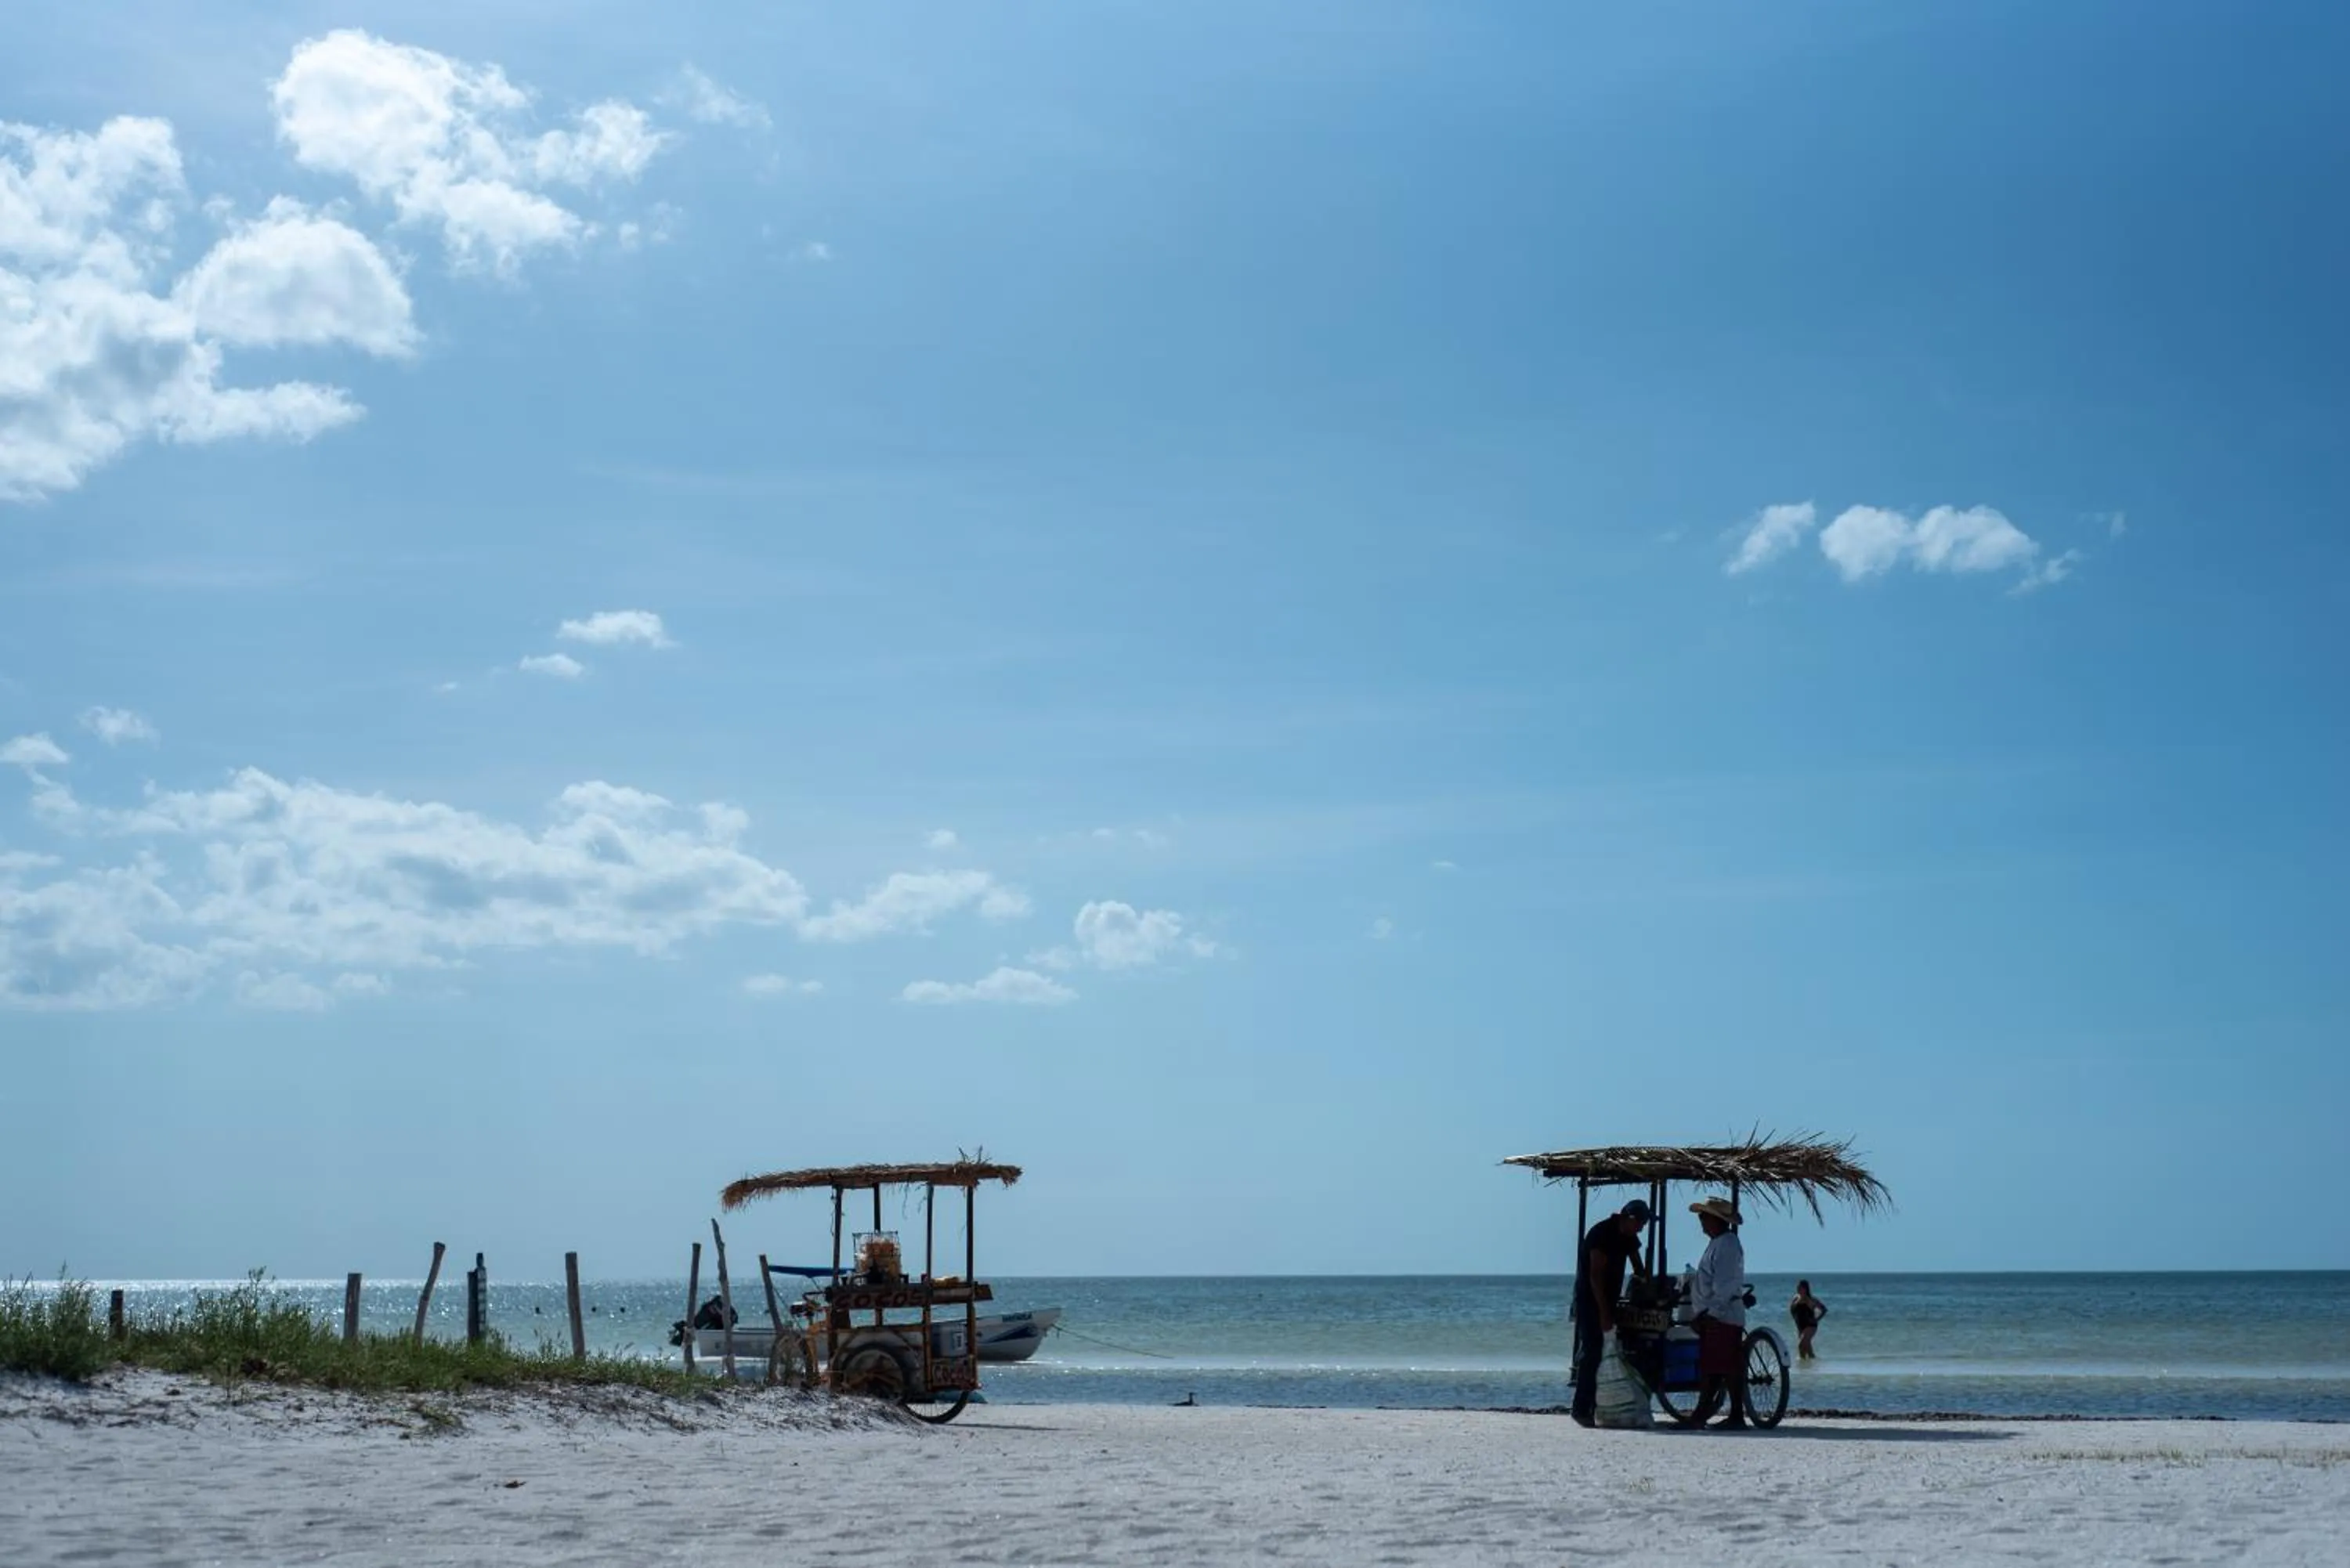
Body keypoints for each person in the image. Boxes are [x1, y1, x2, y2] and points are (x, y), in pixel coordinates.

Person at [1568, 1198, 1653, 1427]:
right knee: (1593, 1352)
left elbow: (1637, 1265)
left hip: (1610, 1299)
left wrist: (1647, 1282)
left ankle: (1603, 1405)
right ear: (1629, 1219)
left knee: (1617, 1348)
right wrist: (1604, 1312)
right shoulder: (1602, 1234)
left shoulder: (1627, 1237)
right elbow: (1595, 1276)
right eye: (1641, 1224)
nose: (1642, 1229)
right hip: (1590, 1300)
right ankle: (1581, 1408)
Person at [1687, 1196, 1750, 1429]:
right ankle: (1709, 1413)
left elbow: (1724, 1285)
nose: (1701, 1221)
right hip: (1717, 1314)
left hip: (1722, 1316)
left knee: (1721, 1367)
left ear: (1715, 1219)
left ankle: (1717, 1415)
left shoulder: (1726, 1245)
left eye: (1704, 1217)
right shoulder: (1719, 1243)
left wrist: (1711, 1314)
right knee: (1718, 1366)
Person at [1788, 1280, 1828, 1360]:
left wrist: (1817, 1319)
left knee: (1801, 1345)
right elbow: (1792, 1310)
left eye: (1800, 1287)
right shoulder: (1795, 1298)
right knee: (1808, 1349)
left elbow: (1824, 1310)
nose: (1798, 1289)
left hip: (1810, 1325)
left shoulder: (1811, 1300)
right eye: (1798, 1287)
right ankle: (1811, 1368)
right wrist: (1796, 1322)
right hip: (1800, 1326)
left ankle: (1802, 1366)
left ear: (1805, 1289)